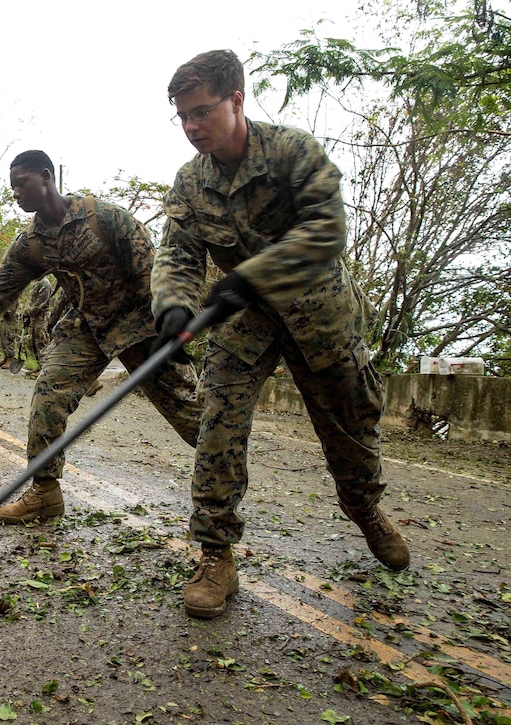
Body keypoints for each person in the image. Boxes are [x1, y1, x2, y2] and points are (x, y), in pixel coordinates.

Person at [150, 49, 410, 620]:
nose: (191, 127)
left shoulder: (294, 151)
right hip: (243, 319)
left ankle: (364, 506)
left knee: (350, 424)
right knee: (218, 418)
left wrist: (250, 277)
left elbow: (328, 229)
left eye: (200, 112)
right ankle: (217, 553)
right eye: (182, 116)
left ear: (236, 100)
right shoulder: (191, 182)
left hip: (318, 312)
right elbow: (178, 252)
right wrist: (172, 306)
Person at [0, 149, 202, 524]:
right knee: (49, 392)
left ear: (46, 177)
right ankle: (45, 493)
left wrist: (171, 323)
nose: (15, 193)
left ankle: (221, 477)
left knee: (190, 414)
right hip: (87, 327)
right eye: (11, 186)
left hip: (141, 324)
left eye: (21, 184)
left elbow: (153, 271)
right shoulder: (31, 242)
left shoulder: (106, 218)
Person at [22, 276, 54, 378]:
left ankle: (44, 370)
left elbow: (40, 304)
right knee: (34, 343)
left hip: (41, 318)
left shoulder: (45, 283)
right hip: (34, 318)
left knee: (41, 343)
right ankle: (39, 366)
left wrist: (28, 312)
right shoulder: (37, 282)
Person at [0, 299, 20, 370]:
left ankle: (10, 359)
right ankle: (6, 357)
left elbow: (10, 312)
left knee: (9, 339)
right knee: (3, 338)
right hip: (5, 320)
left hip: (10, 321)